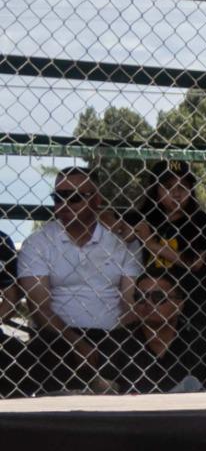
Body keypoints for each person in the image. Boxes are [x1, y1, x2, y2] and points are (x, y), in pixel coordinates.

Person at [18, 167, 140, 393]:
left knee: (132, 348)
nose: (64, 204)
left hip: (113, 334)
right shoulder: (38, 243)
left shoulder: (122, 241)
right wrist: (75, 342)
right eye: (58, 197)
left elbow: (130, 301)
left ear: (95, 200)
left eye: (74, 197)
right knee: (48, 350)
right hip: (57, 335)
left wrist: (110, 343)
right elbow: (39, 307)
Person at [128, 162, 206, 368]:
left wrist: (151, 244)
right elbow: (111, 221)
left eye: (184, 187)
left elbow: (195, 263)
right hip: (152, 299)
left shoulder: (200, 221)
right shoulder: (146, 217)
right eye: (169, 187)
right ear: (155, 190)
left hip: (191, 297)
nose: (177, 193)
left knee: (194, 349)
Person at [107, 271, 206, 393]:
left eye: (158, 297)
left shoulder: (204, 339)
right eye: (140, 296)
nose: (147, 302)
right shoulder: (118, 340)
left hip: (191, 415)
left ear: (179, 304)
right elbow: (105, 394)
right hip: (134, 415)